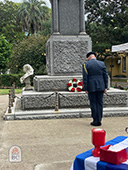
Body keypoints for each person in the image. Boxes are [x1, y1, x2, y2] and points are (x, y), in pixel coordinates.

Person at [83, 52, 108, 126]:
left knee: (93, 103)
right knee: (100, 103)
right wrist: (105, 87)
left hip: (91, 87)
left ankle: (95, 120)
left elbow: (85, 78)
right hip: (101, 86)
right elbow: (105, 76)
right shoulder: (102, 64)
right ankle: (99, 120)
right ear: (95, 57)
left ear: (89, 58)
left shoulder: (86, 65)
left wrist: (86, 88)